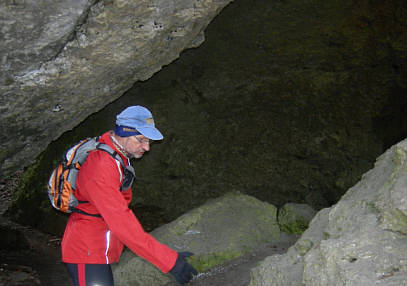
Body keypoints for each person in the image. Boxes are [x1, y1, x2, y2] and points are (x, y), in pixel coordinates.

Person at [61, 105, 198, 286]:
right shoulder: (102, 166)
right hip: (86, 249)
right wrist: (170, 261)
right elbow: (121, 222)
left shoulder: (117, 155)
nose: (147, 147)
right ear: (124, 133)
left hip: (98, 247)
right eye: (141, 140)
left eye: (148, 141)